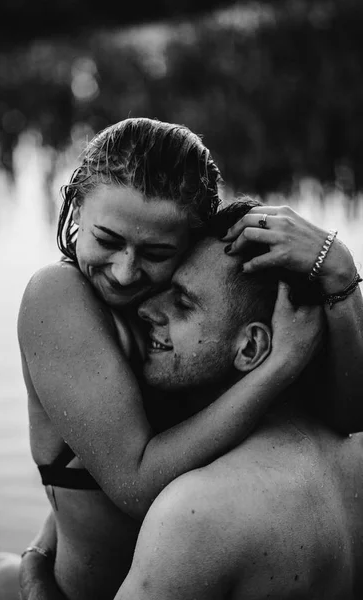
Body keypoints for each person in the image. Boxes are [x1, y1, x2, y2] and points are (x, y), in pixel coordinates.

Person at [19, 199, 363, 600]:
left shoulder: (197, 513)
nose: (145, 307)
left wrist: (35, 578)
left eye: (182, 303)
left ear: (251, 347)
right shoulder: (347, 446)